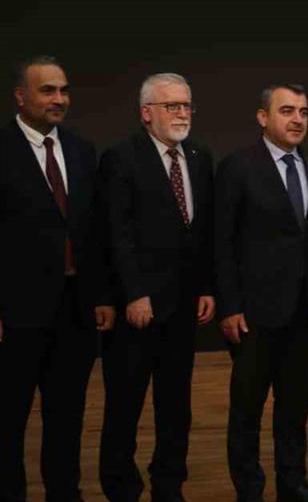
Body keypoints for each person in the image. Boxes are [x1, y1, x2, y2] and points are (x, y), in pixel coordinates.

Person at [215, 84, 308, 502]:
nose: (298, 119)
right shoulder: (238, 166)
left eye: (303, 111)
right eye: (287, 111)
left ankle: (293, 484)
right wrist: (230, 305)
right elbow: (222, 242)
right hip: (253, 313)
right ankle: (249, 488)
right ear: (262, 117)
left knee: (294, 407)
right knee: (247, 410)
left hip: (304, 311)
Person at [0, 56, 113, 502]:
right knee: (8, 419)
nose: (59, 99)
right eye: (48, 90)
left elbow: (94, 231)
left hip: (74, 310)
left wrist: (101, 294)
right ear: (20, 96)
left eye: (64, 90)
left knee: (66, 417)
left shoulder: (82, 150)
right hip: (15, 313)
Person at [98, 73, 215, 502]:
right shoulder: (121, 158)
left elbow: (203, 231)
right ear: (147, 113)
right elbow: (117, 233)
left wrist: (206, 286)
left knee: (175, 407)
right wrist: (134, 293)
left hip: (183, 307)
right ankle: (121, 488)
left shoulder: (199, 157)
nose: (182, 113)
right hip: (140, 307)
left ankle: (169, 485)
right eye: (172, 106)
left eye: (186, 105)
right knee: (125, 406)